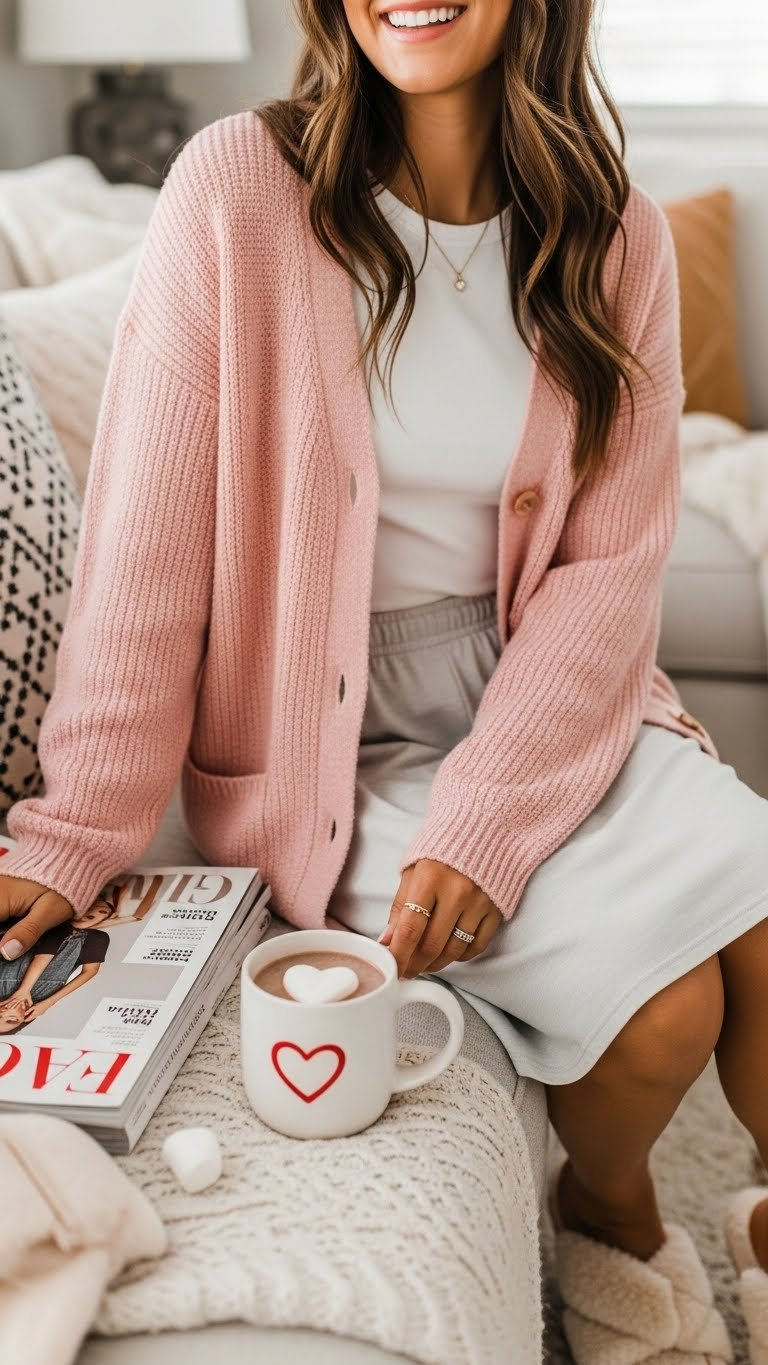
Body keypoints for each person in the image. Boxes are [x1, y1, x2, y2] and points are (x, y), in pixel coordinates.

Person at [0, 1, 766, 1355]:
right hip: (327, 751)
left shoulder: (617, 234)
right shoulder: (238, 188)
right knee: (665, 1013)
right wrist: (75, 833)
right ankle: (616, 1215)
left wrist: (496, 815)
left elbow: (605, 576)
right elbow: (145, 546)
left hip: (546, 690)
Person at [0, 902, 111, 1032]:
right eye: (11, 1020)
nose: (2, 1012)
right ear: (26, 1018)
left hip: (34, 916)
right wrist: (49, 1002)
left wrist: (24, 990)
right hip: (64, 925)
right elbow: (91, 969)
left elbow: (54, 937)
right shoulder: (45, 993)